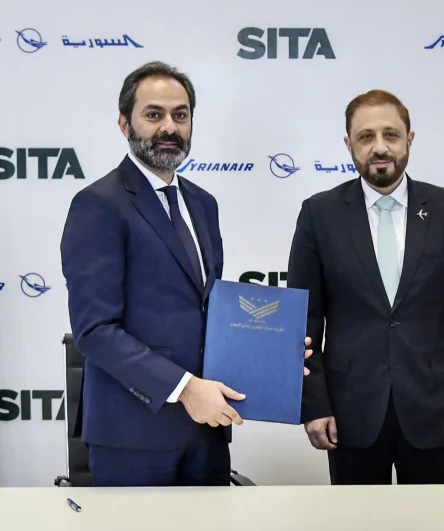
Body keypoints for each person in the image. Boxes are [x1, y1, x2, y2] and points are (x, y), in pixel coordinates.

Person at [61, 61, 309, 486]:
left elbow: (207, 311)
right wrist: (185, 389)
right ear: (124, 123)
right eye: (153, 114)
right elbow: (95, 330)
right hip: (132, 437)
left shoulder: (202, 203)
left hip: (207, 431)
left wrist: (273, 351)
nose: (169, 127)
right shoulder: (98, 205)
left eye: (180, 115)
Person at [288, 90, 444, 485]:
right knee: (357, 523)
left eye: (391, 135)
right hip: (350, 412)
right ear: (348, 144)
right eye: (366, 137)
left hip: (435, 408)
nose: (380, 147)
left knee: (436, 522)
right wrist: (313, 404)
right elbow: (303, 323)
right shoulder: (319, 214)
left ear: (409, 140)